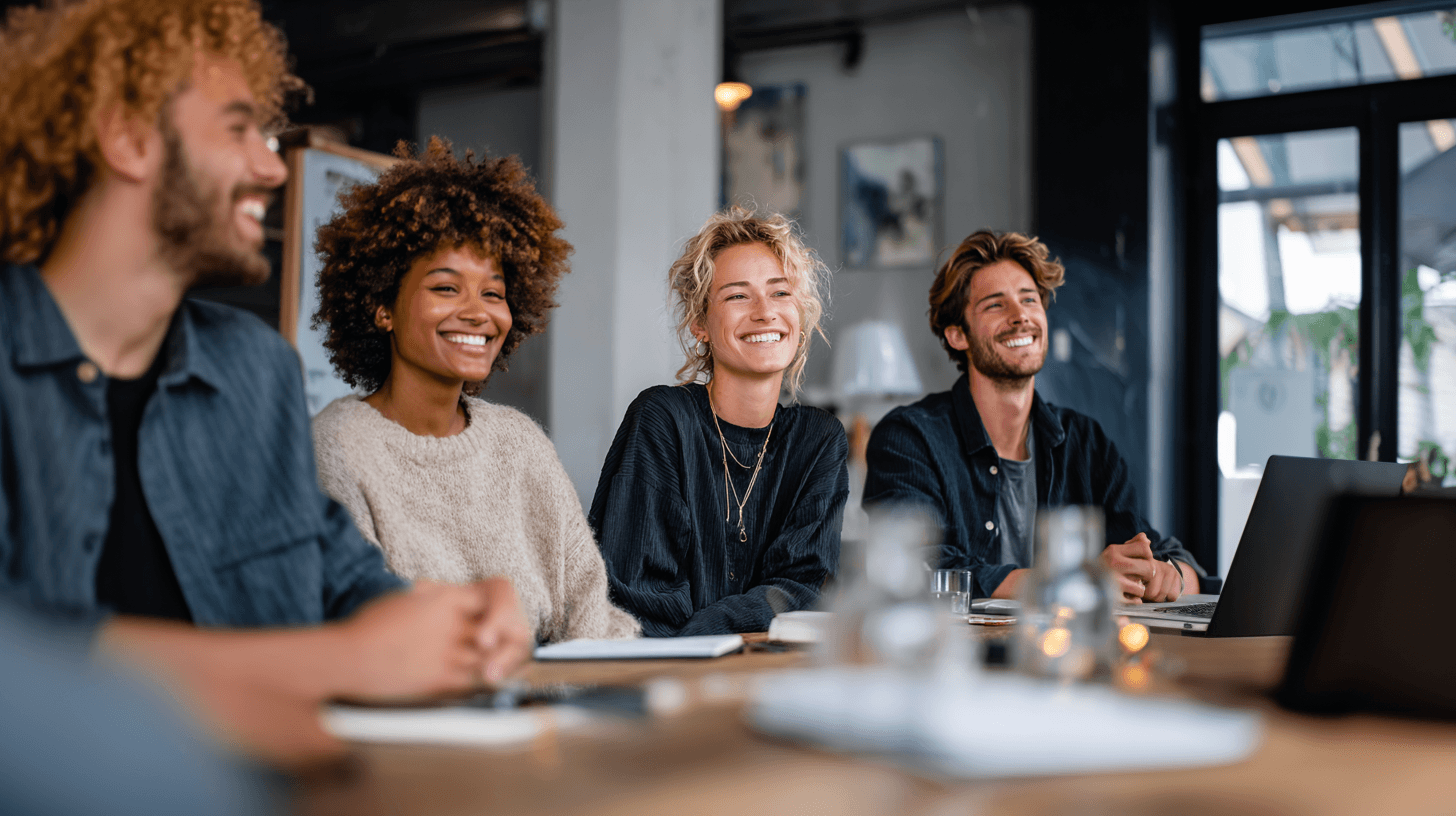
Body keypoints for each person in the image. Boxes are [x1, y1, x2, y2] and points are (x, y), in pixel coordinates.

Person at [0, 0, 531, 763]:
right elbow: (22, 664)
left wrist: (456, 623)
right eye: (238, 128)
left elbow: (342, 582)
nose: (273, 165)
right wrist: (341, 661)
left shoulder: (254, 371)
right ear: (125, 135)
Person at [310, 137, 639, 643]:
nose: (477, 312)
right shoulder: (337, 446)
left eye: (493, 293)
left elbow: (592, 614)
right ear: (382, 308)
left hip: (554, 711)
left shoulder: (520, 443)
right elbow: (358, 633)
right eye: (446, 288)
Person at [863, 230, 1203, 602]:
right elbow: (920, 569)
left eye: (1029, 300)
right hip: (955, 655)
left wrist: (1169, 574)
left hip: (1066, 654)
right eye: (995, 305)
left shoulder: (1084, 441)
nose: (1020, 315)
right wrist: (1071, 584)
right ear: (958, 335)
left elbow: (1152, 547)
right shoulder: (909, 437)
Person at [590, 207, 849, 636]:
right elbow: (636, 598)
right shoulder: (662, 420)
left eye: (780, 293)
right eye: (737, 295)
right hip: (661, 676)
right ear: (700, 324)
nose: (765, 312)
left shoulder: (819, 440)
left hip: (771, 677)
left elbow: (803, 587)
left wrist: (717, 625)